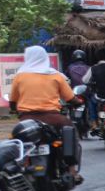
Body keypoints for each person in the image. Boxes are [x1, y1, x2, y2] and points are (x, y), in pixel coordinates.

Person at [8, 45, 82, 183]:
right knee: (70, 131)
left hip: (27, 120)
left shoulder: (20, 76)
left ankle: (23, 168)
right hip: (54, 118)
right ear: (44, 57)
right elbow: (70, 98)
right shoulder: (55, 75)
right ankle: (72, 171)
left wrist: (13, 108)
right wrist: (78, 102)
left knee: (19, 141)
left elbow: (12, 100)